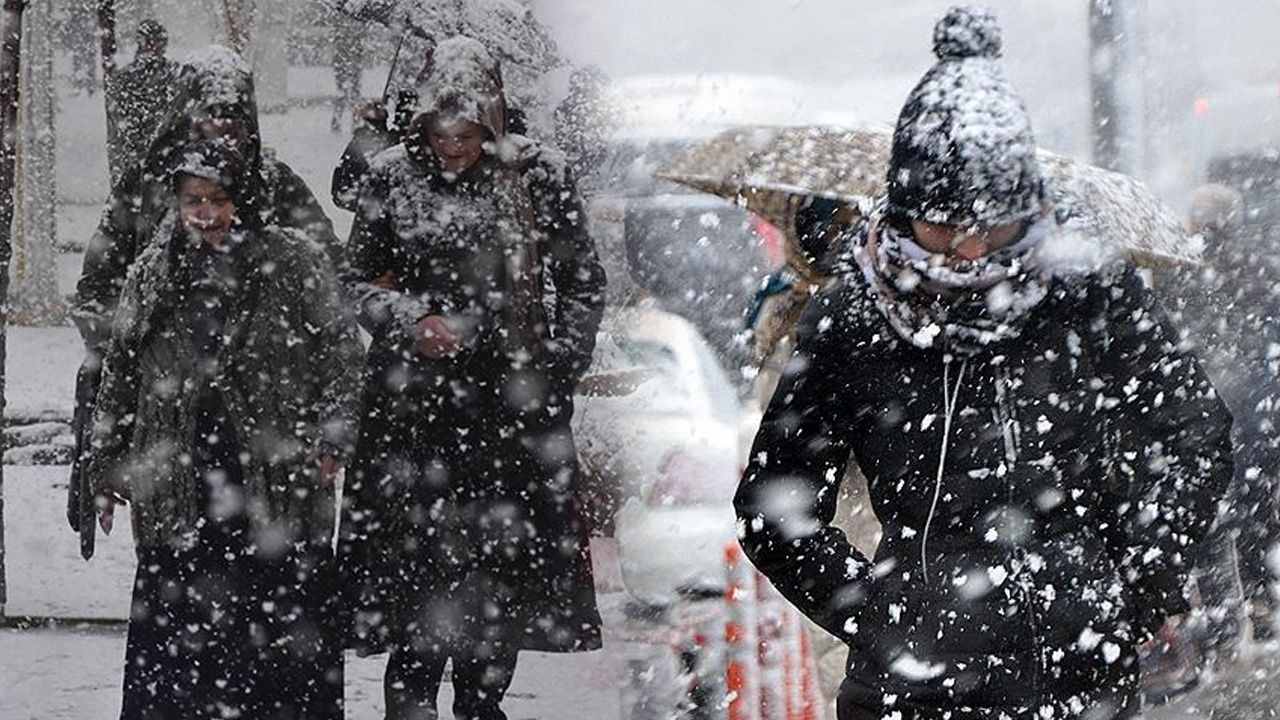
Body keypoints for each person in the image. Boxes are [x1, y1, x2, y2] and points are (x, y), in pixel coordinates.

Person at [734, 7, 1234, 719]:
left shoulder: (1086, 291)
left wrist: (1141, 579)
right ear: (902, 212)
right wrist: (883, 616)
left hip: (1083, 674)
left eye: (991, 227)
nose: (968, 253)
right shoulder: (854, 316)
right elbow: (772, 508)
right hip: (914, 689)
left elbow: (1196, 431)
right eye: (942, 226)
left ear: (1028, 208)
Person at [338, 35, 607, 720]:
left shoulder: (539, 173)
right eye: (440, 130)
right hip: (412, 411)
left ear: (491, 117)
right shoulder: (391, 176)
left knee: (501, 576)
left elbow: (581, 280)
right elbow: (354, 279)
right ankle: (413, 702)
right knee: (416, 572)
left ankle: (481, 703)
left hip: (511, 411)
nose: (453, 146)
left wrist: (557, 369)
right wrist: (408, 317)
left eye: (466, 131)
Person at [83, 140, 363, 720]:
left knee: (280, 641)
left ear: (246, 199)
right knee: (181, 651)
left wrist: (333, 436)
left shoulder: (292, 260)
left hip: (276, 479)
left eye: (218, 199)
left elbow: (342, 349)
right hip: (180, 479)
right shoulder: (155, 268)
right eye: (193, 200)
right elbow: (121, 368)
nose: (205, 213)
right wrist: (108, 469)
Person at [68, 46, 341, 555]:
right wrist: (146, 347)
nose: (223, 138)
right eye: (210, 123)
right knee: (183, 559)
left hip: (266, 420)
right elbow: (97, 290)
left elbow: (331, 285)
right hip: (172, 421)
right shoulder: (147, 187)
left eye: (234, 126)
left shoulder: (277, 186)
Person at [1157, 184, 1280, 652]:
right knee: (1249, 517)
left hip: (1207, 411)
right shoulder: (1256, 267)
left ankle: (1229, 625)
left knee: (1214, 521)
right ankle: (1255, 605)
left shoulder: (1178, 267)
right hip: (1246, 413)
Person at [106, 19, 180, 187]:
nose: (160, 45)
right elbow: (120, 120)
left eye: (163, 40)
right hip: (144, 156)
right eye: (155, 40)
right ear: (143, 42)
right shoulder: (127, 77)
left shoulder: (174, 73)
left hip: (161, 155)